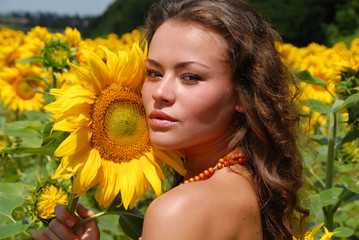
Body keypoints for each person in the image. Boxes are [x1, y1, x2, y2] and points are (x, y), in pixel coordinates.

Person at [32, 0, 309, 239]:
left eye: (190, 77)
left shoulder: (180, 209)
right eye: (153, 73)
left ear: (243, 94)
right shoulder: (252, 184)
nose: (161, 93)